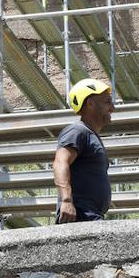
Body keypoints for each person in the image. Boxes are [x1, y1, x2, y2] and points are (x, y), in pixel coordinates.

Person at [53, 78, 116, 223]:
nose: (113, 108)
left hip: (90, 216)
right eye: (107, 102)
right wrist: (67, 200)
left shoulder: (90, 135)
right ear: (90, 103)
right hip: (79, 215)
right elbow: (60, 163)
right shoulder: (77, 130)